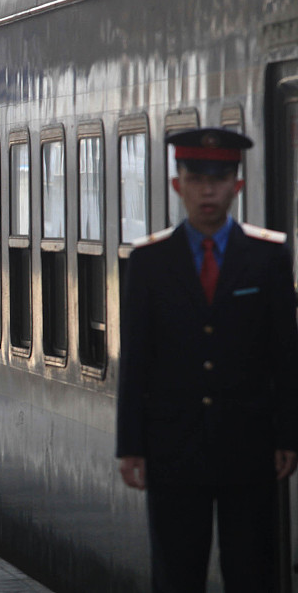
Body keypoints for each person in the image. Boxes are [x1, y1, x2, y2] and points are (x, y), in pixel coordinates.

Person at [117, 128, 298, 592]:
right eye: (196, 179)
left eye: (219, 179)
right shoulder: (149, 262)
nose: (208, 191)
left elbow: (285, 355)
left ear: (236, 185)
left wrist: (288, 435)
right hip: (173, 447)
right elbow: (136, 359)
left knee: (252, 571)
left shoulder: (268, 257)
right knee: (176, 572)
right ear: (178, 185)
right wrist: (130, 445)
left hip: (250, 444)